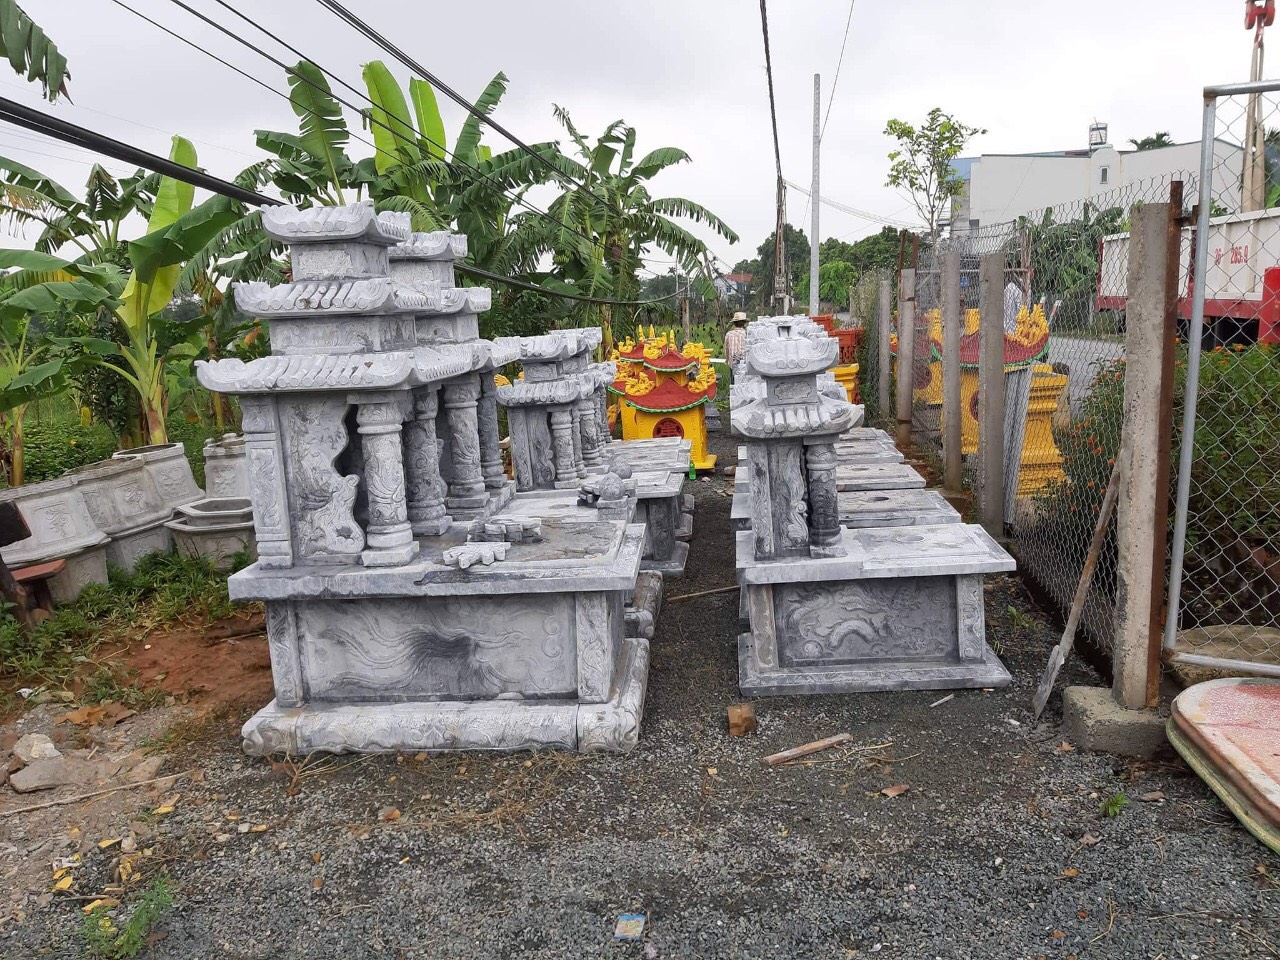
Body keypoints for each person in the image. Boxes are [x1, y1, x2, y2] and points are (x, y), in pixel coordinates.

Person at [724, 312, 748, 379]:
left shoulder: (729, 334)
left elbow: (726, 349)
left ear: (734, 323)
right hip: (744, 363)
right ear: (744, 323)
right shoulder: (746, 334)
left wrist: (727, 360)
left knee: (733, 382)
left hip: (732, 363)